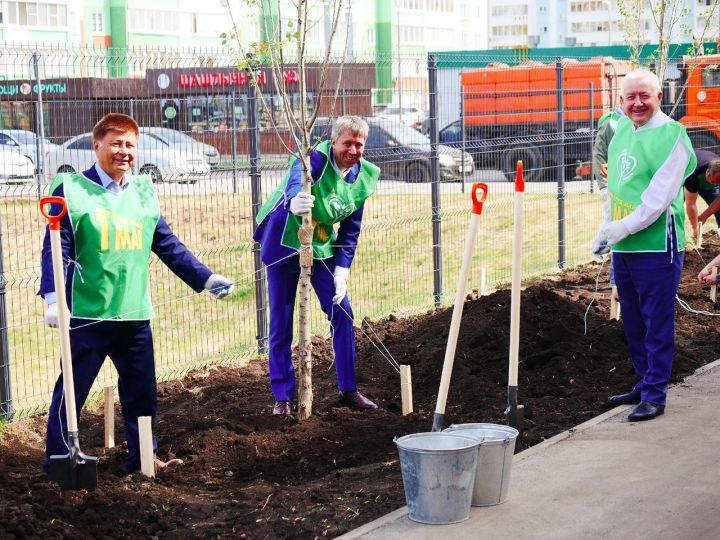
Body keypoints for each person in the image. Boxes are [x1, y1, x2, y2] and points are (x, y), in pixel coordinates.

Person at [39, 113, 234, 473]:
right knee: (72, 392)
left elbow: (167, 244)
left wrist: (205, 278)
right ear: (96, 145)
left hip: (134, 314)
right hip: (87, 314)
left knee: (142, 394)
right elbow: (56, 248)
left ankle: (142, 457)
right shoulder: (71, 189)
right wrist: (54, 298)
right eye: (115, 143)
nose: (123, 151)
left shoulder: (144, 192)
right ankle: (59, 461)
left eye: (130, 144)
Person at [253, 115, 380, 415]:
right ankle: (283, 397)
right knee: (282, 321)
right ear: (333, 141)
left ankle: (349, 390)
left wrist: (342, 270)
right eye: (347, 143)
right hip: (285, 237)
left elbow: (351, 230)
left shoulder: (362, 178)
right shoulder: (315, 159)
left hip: (319, 242)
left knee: (342, 311)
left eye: (359, 144)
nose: (353, 150)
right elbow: (298, 175)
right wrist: (294, 198)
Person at [591, 69, 697, 421]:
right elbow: (616, 188)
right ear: (620, 101)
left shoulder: (673, 137)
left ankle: (655, 394)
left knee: (656, 322)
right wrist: (607, 229)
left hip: (656, 246)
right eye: (630, 97)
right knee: (633, 321)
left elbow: (657, 199)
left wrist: (622, 227)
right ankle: (643, 381)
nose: (637, 103)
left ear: (658, 98)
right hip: (625, 248)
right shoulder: (621, 131)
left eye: (644, 96)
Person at [591, 106, 625, 286]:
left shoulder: (631, 124)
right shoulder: (610, 124)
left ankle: (602, 244)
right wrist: (603, 186)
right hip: (611, 184)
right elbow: (598, 156)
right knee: (612, 220)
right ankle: (601, 245)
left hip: (623, 185)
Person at [684, 149, 720, 242]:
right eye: (714, 182)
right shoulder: (693, 173)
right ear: (708, 172)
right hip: (687, 177)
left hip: (704, 182)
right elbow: (691, 204)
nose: (716, 185)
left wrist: (704, 216)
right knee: (675, 209)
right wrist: (696, 228)